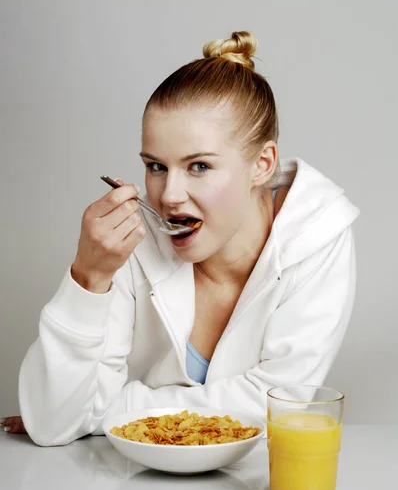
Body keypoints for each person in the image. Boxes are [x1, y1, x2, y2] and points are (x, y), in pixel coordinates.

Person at [1, 31, 359, 445]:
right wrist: (88, 277)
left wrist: (103, 411)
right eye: (155, 166)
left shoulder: (318, 237)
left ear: (262, 164)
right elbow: (51, 424)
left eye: (199, 167)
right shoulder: (129, 243)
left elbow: (280, 407)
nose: (169, 196)